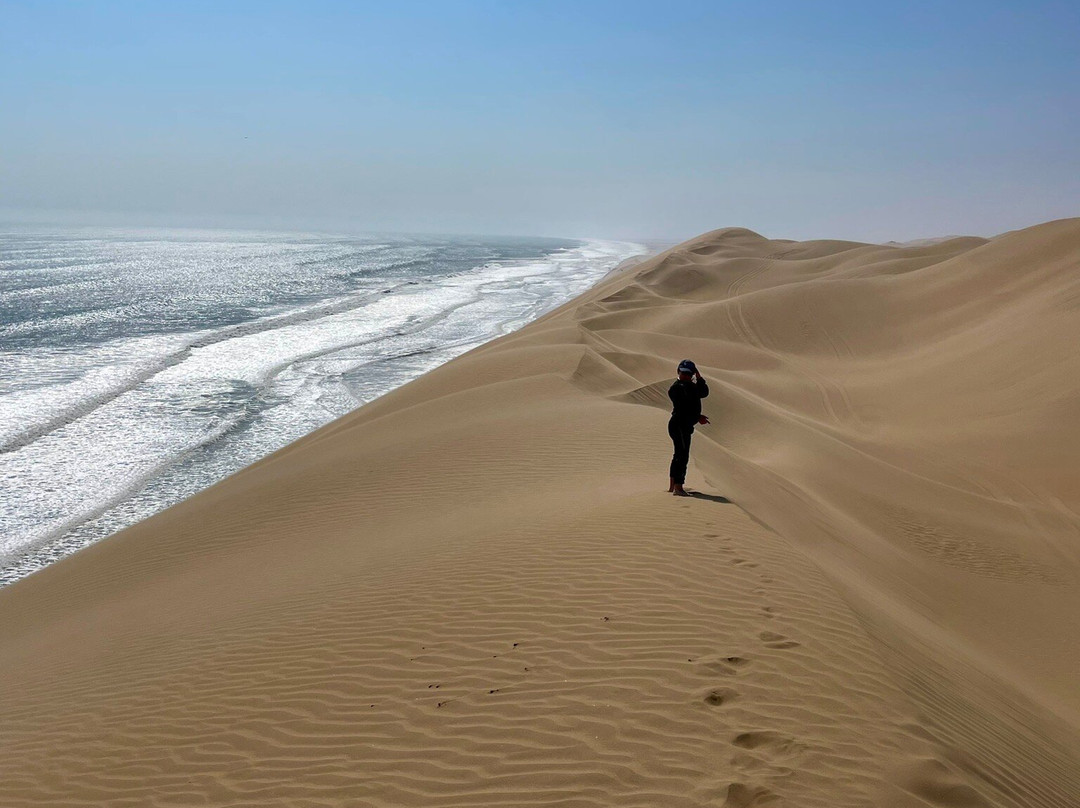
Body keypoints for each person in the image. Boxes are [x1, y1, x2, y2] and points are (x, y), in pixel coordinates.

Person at [667, 359, 710, 496]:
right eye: (682, 373)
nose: (684, 375)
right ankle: (678, 488)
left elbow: (704, 392)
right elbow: (683, 407)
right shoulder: (677, 388)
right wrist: (697, 417)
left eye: (688, 373)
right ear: (678, 372)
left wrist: (699, 376)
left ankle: (673, 486)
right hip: (678, 424)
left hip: (684, 425)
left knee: (679, 454)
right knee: (682, 455)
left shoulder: (691, 386)